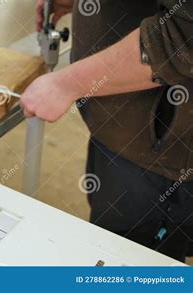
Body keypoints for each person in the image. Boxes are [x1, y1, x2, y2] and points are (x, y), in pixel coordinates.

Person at [21, 0, 193, 262]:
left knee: (135, 266)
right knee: (110, 243)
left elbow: (183, 34)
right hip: (116, 130)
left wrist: (66, 84)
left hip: (160, 154)